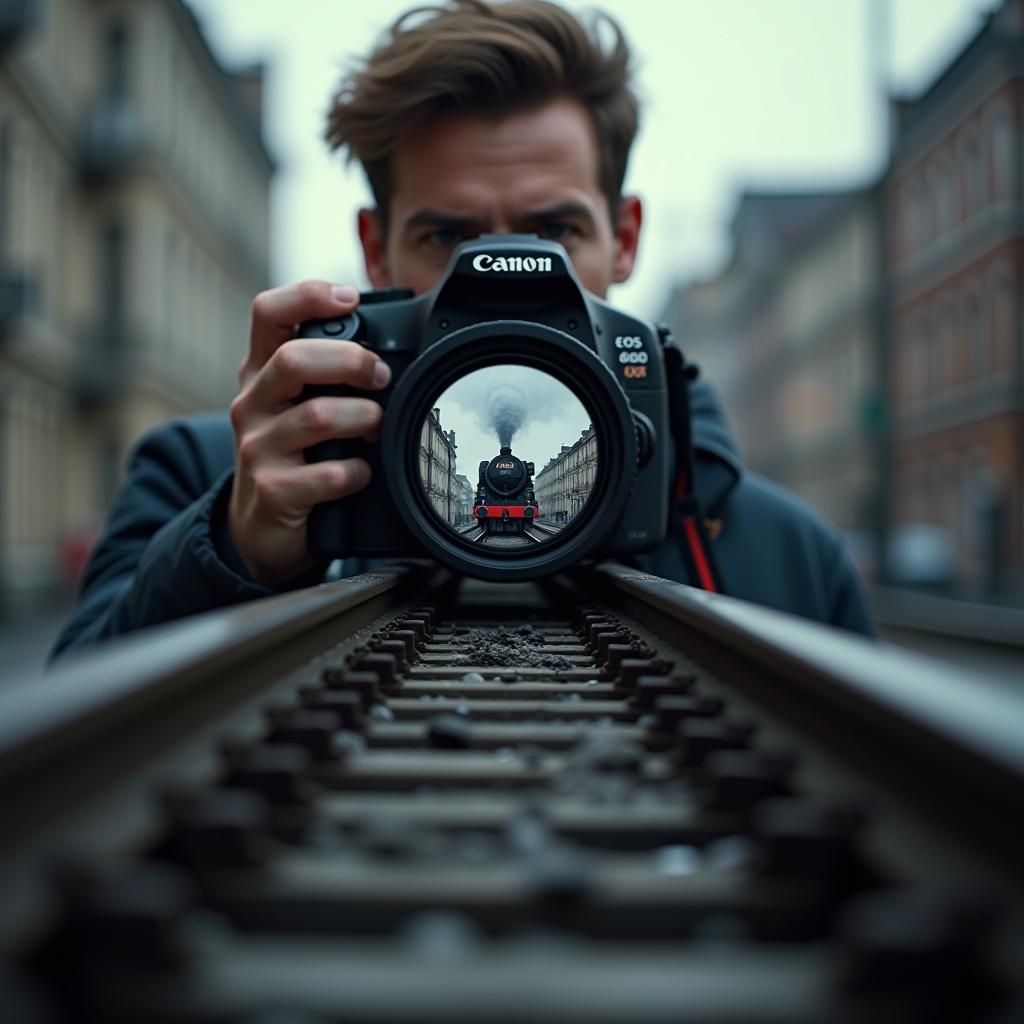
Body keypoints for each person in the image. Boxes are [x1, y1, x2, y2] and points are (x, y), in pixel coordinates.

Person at [51, 0, 872, 659]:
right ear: (374, 249)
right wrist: (236, 549)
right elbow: (77, 731)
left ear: (625, 238)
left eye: (555, 232)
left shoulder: (792, 555)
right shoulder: (204, 474)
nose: (510, 275)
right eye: (448, 236)